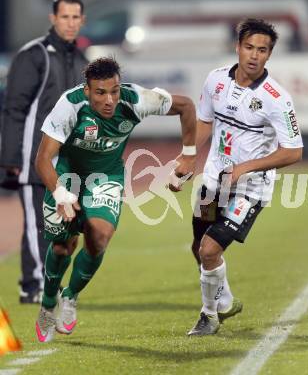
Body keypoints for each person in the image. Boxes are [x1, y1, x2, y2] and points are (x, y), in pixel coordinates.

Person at [34, 57, 196, 343]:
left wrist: (189, 153)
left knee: (100, 238)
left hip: (105, 177)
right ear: (87, 90)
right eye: (100, 92)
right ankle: (48, 303)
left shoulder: (137, 100)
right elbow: (43, 159)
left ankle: (70, 296)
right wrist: (60, 192)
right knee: (62, 247)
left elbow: (185, 106)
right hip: (66, 175)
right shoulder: (69, 104)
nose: (109, 100)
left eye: (114, 91)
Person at [187, 18, 303, 336]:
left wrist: (245, 168)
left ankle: (209, 315)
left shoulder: (277, 99)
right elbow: (206, 122)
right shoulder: (215, 80)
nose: (254, 55)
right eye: (249, 47)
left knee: (210, 250)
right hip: (213, 182)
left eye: (262, 50)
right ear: (237, 47)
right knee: (198, 248)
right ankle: (224, 302)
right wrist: (186, 158)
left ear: (269, 55)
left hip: (250, 189)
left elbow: (293, 151)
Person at [0, 0, 88, 303]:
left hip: (67, 161)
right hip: (32, 158)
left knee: (63, 225)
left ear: (82, 20)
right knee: (38, 223)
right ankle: (33, 285)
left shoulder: (81, 58)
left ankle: (44, 284)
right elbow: (14, 109)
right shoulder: (34, 55)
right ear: (53, 18)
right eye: (65, 16)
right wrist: (11, 158)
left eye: (75, 16)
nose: (70, 22)